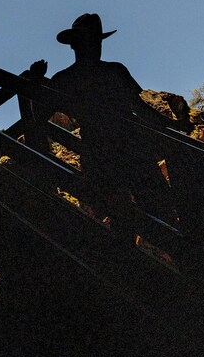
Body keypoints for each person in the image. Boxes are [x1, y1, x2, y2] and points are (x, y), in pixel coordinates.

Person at [31, 13, 173, 230]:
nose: (96, 45)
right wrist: (171, 127)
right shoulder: (113, 71)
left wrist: (34, 85)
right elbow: (142, 110)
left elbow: (39, 115)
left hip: (102, 157)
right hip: (129, 152)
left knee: (125, 217)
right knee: (155, 214)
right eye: (93, 39)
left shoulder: (67, 79)